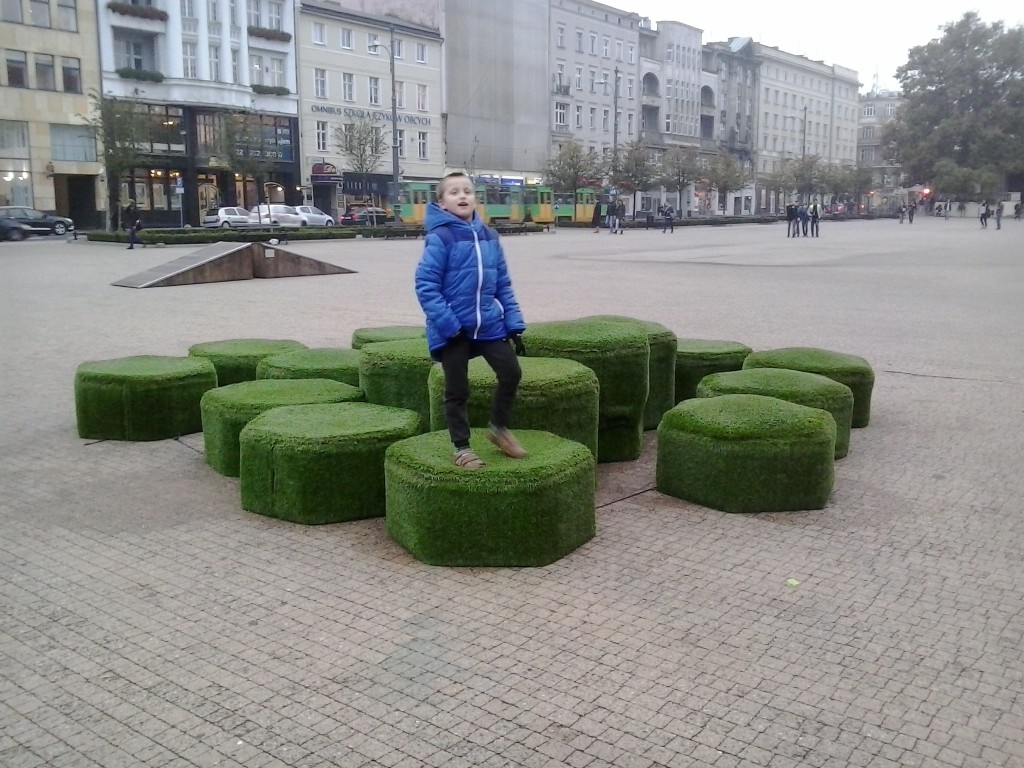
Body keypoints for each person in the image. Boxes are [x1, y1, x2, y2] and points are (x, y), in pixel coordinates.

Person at [414, 172, 527, 470]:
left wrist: (514, 323)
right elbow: (426, 285)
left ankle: (499, 429)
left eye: (467, 190)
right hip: (453, 328)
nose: (462, 196)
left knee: (511, 372)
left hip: (488, 323)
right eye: (454, 192)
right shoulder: (440, 237)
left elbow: (502, 284)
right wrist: (449, 325)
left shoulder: (490, 236)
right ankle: (461, 448)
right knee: (457, 390)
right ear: (442, 202)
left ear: (475, 198)